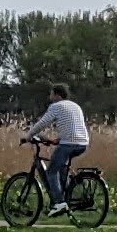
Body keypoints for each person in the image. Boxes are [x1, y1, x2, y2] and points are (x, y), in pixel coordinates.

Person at [23, 84, 89, 218]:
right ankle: (68, 195)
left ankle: (59, 202)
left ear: (58, 95)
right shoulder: (75, 106)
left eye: (51, 94)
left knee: (52, 171)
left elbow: (42, 123)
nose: (50, 97)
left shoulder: (56, 106)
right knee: (62, 168)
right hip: (82, 143)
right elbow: (73, 126)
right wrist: (56, 140)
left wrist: (28, 136)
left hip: (68, 144)